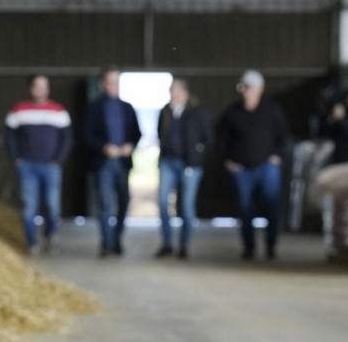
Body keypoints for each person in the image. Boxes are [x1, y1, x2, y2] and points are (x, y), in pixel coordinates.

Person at [217, 70, 290, 260]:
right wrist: (228, 161)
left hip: (267, 167)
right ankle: (249, 247)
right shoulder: (233, 112)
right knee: (244, 209)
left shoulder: (272, 110)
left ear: (260, 89)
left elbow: (283, 137)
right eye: (243, 87)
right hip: (242, 169)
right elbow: (222, 139)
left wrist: (277, 156)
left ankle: (271, 246)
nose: (245, 91)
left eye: (249, 87)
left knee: (272, 207)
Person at [3, 75, 72, 254]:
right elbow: (9, 137)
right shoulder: (18, 110)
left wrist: (59, 160)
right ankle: (31, 241)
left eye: (43, 86)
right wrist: (16, 158)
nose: (40, 90)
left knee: (52, 205)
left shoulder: (59, 111)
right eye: (36, 86)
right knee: (29, 206)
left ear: (48, 89)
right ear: (30, 88)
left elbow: (66, 139)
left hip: (51, 166)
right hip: (28, 166)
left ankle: (50, 234)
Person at [84, 67, 141, 257]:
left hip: (122, 162)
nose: (113, 85)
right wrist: (103, 147)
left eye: (116, 82)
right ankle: (106, 243)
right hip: (103, 162)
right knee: (106, 204)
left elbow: (137, 133)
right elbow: (86, 135)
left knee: (123, 202)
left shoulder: (127, 107)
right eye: (109, 81)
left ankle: (117, 239)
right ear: (102, 84)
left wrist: (129, 145)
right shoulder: (93, 108)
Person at [155, 77, 212, 259]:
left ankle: (184, 246)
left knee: (186, 207)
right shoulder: (165, 111)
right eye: (171, 90)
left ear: (185, 93)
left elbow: (208, 139)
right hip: (168, 163)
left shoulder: (197, 112)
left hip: (189, 165)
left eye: (175, 90)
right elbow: (160, 135)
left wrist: (196, 158)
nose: (172, 93)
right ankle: (167, 243)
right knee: (163, 203)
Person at [326, 93, 348, 165]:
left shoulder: (343, 118)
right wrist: (334, 119)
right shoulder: (345, 115)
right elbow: (330, 134)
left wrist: (340, 119)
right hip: (341, 157)